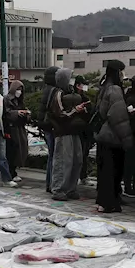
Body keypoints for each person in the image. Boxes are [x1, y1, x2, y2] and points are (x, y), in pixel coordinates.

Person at [94, 61, 134, 213]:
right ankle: (109, 203)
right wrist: (127, 139)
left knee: (104, 172)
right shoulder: (115, 89)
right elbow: (118, 117)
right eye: (122, 72)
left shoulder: (104, 86)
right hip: (113, 137)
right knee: (113, 172)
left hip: (103, 135)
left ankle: (102, 201)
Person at [49, 68, 90, 200]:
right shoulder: (57, 93)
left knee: (76, 160)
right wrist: (75, 110)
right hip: (63, 131)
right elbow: (60, 113)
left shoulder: (70, 92)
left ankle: (71, 188)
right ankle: (58, 189)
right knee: (63, 161)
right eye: (69, 77)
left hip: (74, 130)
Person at [38, 66, 62, 192]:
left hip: (46, 126)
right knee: (53, 156)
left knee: (51, 155)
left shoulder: (47, 89)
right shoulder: (54, 90)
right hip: (51, 126)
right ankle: (52, 184)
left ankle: (49, 183)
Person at [5, 79, 31, 182]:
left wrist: (26, 114)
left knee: (21, 149)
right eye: (17, 89)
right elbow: (6, 114)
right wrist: (16, 113)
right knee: (12, 151)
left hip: (20, 128)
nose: (19, 92)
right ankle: (11, 172)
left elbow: (25, 111)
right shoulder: (7, 99)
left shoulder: (21, 100)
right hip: (11, 129)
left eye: (21, 90)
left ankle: (13, 170)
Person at [75, 75, 94, 182]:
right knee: (76, 154)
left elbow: (90, 112)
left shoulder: (86, 99)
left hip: (85, 129)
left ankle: (83, 175)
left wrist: (86, 109)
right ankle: (76, 175)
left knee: (84, 153)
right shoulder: (72, 97)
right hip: (76, 129)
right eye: (83, 85)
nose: (85, 87)